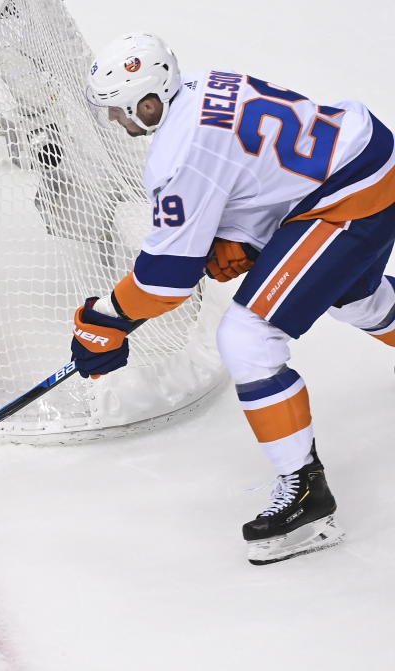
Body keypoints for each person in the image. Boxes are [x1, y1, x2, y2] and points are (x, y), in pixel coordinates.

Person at [74, 33, 395, 565]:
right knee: (348, 295)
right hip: (364, 156)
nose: (112, 119)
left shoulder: (178, 155)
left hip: (348, 197)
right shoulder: (203, 87)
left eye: (117, 108)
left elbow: (165, 280)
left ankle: (306, 495)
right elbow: (257, 168)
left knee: (248, 336)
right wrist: (244, 233)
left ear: (148, 103)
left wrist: (106, 319)